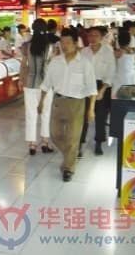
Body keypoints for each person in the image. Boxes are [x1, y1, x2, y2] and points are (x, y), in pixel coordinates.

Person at [38, 28, 97, 182]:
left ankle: (68, 168)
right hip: (58, 102)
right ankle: (71, 153)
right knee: (54, 134)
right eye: (62, 42)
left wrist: (91, 110)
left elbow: (92, 88)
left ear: (76, 43)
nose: (64, 46)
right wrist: (41, 102)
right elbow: (46, 83)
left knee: (73, 137)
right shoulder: (55, 62)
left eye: (68, 42)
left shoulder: (84, 63)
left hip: (77, 104)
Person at [19, 19, 54, 155]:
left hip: (30, 83)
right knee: (46, 113)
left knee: (30, 114)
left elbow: (23, 65)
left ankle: (32, 144)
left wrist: (21, 79)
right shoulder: (50, 46)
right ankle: (45, 142)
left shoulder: (26, 46)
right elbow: (52, 66)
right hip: (47, 84)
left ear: (32, 29)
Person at [79, 26, 116, 157]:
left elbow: (111, 72)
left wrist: (102, 90)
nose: (93, 38)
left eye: (96, 35)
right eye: (90, 35)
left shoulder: (107, 51)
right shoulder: (84, 52)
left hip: (102, 85)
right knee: (83, 116)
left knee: (101, 116)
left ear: (101, 37)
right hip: (86, 86)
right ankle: (79, 143)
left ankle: (98, 142)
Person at [111, 29, 135, 97]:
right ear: (129, 41)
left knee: (117, 96)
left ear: (118, 40)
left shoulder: (117, 52)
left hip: (120, 77)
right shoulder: (133, 50)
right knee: (128, 96)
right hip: (131, 76)